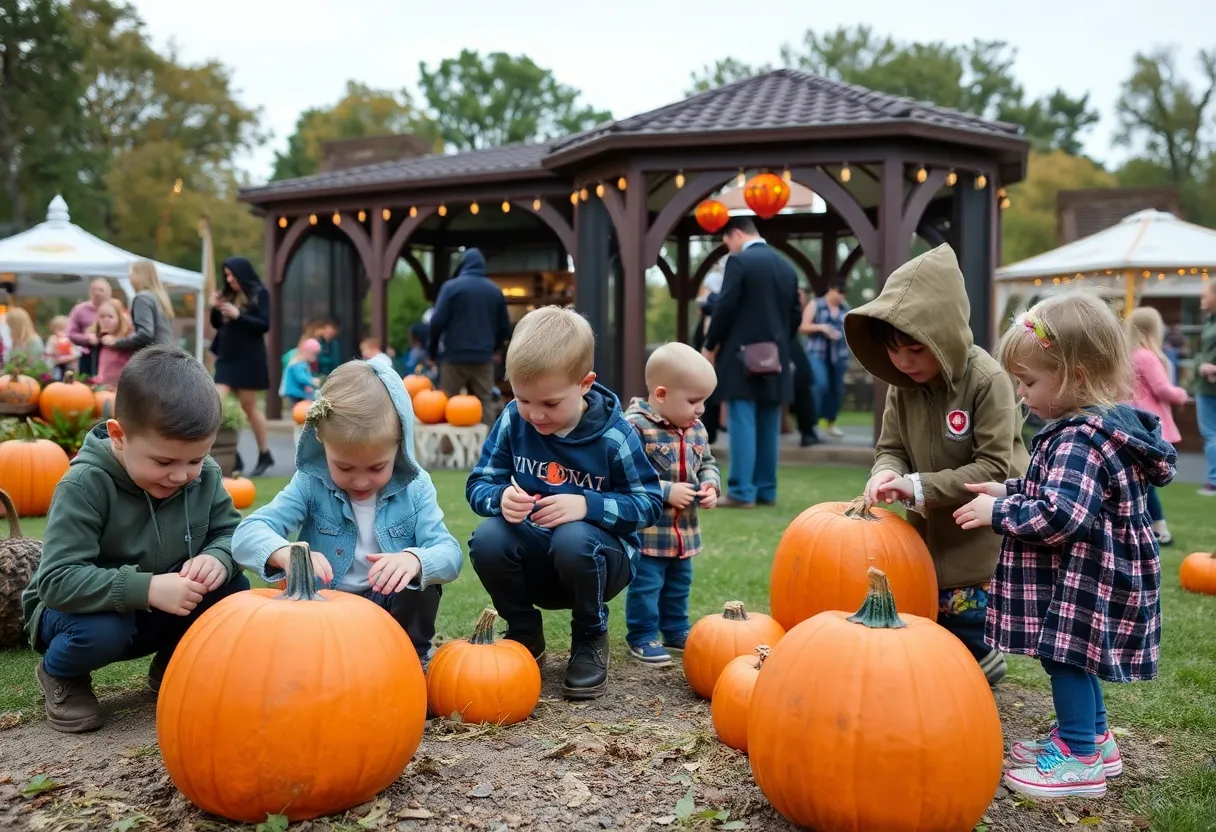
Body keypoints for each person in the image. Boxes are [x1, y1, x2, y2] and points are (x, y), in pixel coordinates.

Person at [955, 293, 1176, 799]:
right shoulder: (1102, 426)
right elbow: (1069, 495)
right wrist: (1009, 490)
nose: (1021, 392)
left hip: (1091, 575)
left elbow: (1062, 515)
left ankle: (1079, 760)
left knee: (1068, 657)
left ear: (1076, 377)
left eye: (1029, 381)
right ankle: (1095, 739)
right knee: (1078, 656)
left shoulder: (1078, 437)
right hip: (1101, 570)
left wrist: (999, 514)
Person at [21, 345, 250, 733]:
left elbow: (230, 533)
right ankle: (61, 673)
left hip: (159, 604)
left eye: (194, 460)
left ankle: (175, 663)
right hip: (80, 614)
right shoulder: (84, 484)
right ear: (119, 436)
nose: (181, 476)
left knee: (232, 588)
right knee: (102, 632)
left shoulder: (205, 476)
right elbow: (57, 581)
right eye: (164, 462)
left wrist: (219, 558)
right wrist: (147, 588)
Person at [846, 244, 1026, 687]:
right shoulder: (902, 385)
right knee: (927, 616)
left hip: (976, 535)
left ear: (944, 336)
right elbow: (891, 446)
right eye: (894, 351)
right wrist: (885, 472)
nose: (904, 362)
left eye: (915, 349)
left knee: (966, 617)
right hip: (922, 539)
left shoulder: (987, 380)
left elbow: (994, 467)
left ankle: (982, 658)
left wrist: (918, 486)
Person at [465, 306, 664, 700]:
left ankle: (590, 637)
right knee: (488, 537)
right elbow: (479, 484)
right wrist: (500, 498)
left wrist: (586, 505)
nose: (535, 414)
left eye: (550, 404)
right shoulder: (513, 420)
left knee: (574, 537)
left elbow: (648, 503)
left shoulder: (616, 437)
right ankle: (524, 631)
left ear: (585, 384)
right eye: (523, 399)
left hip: (602, 562)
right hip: (537, 558)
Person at [233, 355, 463, 669]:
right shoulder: (311, 483)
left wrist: (414, 559)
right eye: (343, 466)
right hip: (326, 608)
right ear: (322, 444)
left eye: (376, 467)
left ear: (399, 447)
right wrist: (285, 553)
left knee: (420, 579)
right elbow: (248, 533)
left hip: (388, 607)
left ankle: (412, 661)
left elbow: (449, 554)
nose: (360, 480)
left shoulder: (417, 487)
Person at [623, 343, 721, 664]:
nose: (701, 409)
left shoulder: (696, 429)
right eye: (694, 401)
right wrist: (665, 491)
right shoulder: (636, 427)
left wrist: (710, 484)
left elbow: (707, 462)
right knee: (647, 586)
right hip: (650, 532)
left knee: (680, 584)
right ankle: (642, 635)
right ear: (662, 394)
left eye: (704, 401)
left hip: (684, 532)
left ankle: (676, 629)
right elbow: (626, 476)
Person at [701, 216, 801, 508]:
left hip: (741, 356)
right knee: (769, 423)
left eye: (727, 242)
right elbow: (795, 314)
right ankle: (766, 490)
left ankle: (742, 492)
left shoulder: (740, 262)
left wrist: (710, 345)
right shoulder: (786, 266)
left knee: (742, 420)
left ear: (736, 234)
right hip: (776, 357)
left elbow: (725, 306)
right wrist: (779, 343)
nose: (728, 249)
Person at [428, 248, 511, 425]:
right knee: (484, 402)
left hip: (454, 357)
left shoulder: (451, 288)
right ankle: (488, 448)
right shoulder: (494, 291)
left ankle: (448, 449)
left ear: (463, 265)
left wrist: (432, 352)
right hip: (483, 357)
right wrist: (496, 350)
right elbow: (504, 327)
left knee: (446, 403)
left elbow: (436, 322)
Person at [1127, 306, 1187, 546]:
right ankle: (1160, 529)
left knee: (1140, 482)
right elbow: (1162, 389)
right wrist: (1181, 394)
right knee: (1147, 482)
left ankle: (1148, 528)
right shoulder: (1146, 356)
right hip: (1150, 427)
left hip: (1134, 425)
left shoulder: (1128, 356)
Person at [210, 256, 273, 477]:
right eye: (226, 275)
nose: (228, 279)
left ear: (241, 274)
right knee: (215, 401)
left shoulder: (259, 294)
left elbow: (264, 324)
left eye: (231, 275)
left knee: (249, 406)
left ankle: (265, 453)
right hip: (227, 357)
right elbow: (217, 324)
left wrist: (239, 316)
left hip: (249, 358)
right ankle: (231, 452)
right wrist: (216, 308)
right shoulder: (227, 293)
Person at [802, 280, 851, 439]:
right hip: (818, 353)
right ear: (831, 290)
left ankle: (830, 423)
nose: (841, 296)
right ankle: (812, 423)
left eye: (843, 293)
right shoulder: (815, 305)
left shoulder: (845, 308)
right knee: (819, 385)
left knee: (836, 390)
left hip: (839, 355)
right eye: (839, 292)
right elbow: (803, 327)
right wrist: (821, 328)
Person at [111, 260, 174, 355]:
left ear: (139, 276)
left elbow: (145, 334)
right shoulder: (161, 298)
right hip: (166, 355)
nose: (130, 278)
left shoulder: (142, 298)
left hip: (152, 358)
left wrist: (117, 342)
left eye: (131, 274)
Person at [691, 270, 724, 444]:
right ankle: (708, 430)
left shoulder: (712, 306)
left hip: (710, 352)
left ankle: (709, 431)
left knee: (709, 392)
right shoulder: (714, 306)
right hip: (706, 349)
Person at [1194, 280, 1216, 495]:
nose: (1202, 299)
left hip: (1209, 390)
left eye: (1204, 295)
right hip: (1205, 387)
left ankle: (1214, 481)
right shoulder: (1209, 321)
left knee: (1211, 435)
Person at [67, 279, 112, 378]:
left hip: (111, 354)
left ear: (109, 292)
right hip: (88, 356)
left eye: (101, 290)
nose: (97, 293)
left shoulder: (115, 308)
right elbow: (71, 333)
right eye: (94, 290)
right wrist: (86, 338)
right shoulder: (80, 310)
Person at [92, 299, 134, 387]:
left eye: (110, 317)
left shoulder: (127, 341)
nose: (105, 320)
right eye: (102, 317)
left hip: (119, 388)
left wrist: (116, 341)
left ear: (120, 318)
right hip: (103, 387)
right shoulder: (101, 339)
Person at [282, 338, 322, 408]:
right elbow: (301, 378)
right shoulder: (298, 363)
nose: (315, 358)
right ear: (306, 352)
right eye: (313, 354)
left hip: (299, 392)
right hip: (295, 393)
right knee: (298, 409)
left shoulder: (303, 363)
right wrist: (311, 381)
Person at [43, 315, 80, 380]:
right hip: (56, 364)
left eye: (65, 329)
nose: (63, 332)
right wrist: (54, 349)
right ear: (54, 330)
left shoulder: (70, 339)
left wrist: (72, 356)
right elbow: (48, 352)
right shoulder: (52, 339)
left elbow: (77, 352)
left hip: (69, 364)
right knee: (57, 377)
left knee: (70, 376)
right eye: (60, 330)